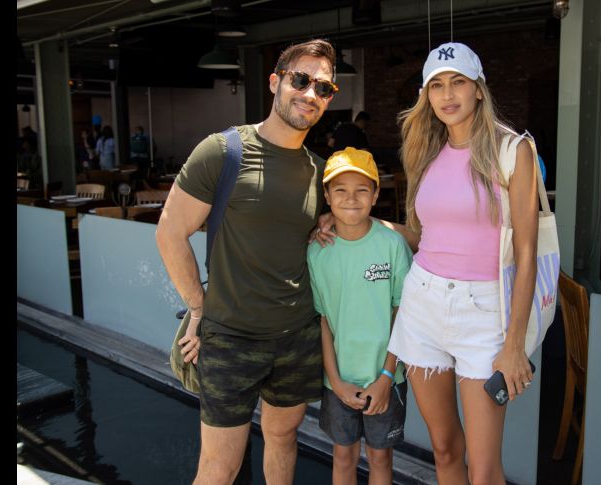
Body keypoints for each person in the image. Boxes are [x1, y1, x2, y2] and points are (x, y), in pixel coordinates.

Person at [155, 39, 341, 485]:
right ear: (276, 82)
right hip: (231, 339)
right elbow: (169, 232)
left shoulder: (321, 171)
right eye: (301, 80)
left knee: (284, 439)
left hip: (297, 338)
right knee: (220, 468)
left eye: (324, 88)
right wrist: (199, 307)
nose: (311, 94)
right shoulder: (223, 152)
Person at [386, 42, 539, 484]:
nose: (447, 94)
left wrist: (513, 345)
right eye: (436, 85)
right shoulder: (424, 151)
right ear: (426, 95)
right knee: (443, 448)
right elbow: (422, 236)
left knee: (485, 469)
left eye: (458, 82)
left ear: (478, 89)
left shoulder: (513, 150)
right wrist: (359, 223)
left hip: (485, 312)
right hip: (423, 303)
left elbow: (526, 253)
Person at [307, 148, 412, 485]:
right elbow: (322, 320)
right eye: (339, 190)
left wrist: (385, 376)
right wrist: (335, 381)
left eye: (362, 189)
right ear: (326, 196)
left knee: (381, 458)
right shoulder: (317, 252)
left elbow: (404, 313)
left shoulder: (393, 246)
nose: (351, 198)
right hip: (338, 379)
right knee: (343, 455)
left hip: (386, 378)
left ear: (376, 194)